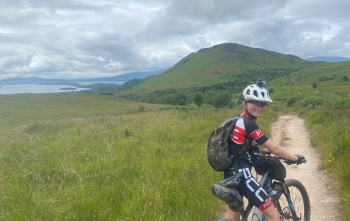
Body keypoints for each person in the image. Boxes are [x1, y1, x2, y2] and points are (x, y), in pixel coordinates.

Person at [220, 80, 304, 221]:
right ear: (244, 103)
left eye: (263, 104)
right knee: (274, 216)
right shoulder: (248, 124)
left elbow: (238, 148)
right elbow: (275, 149)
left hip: (230, 174)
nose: (259, 107)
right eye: (254, 102)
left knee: (235, 214)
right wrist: (295, 158)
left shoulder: (236, 121)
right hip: (243, 176)